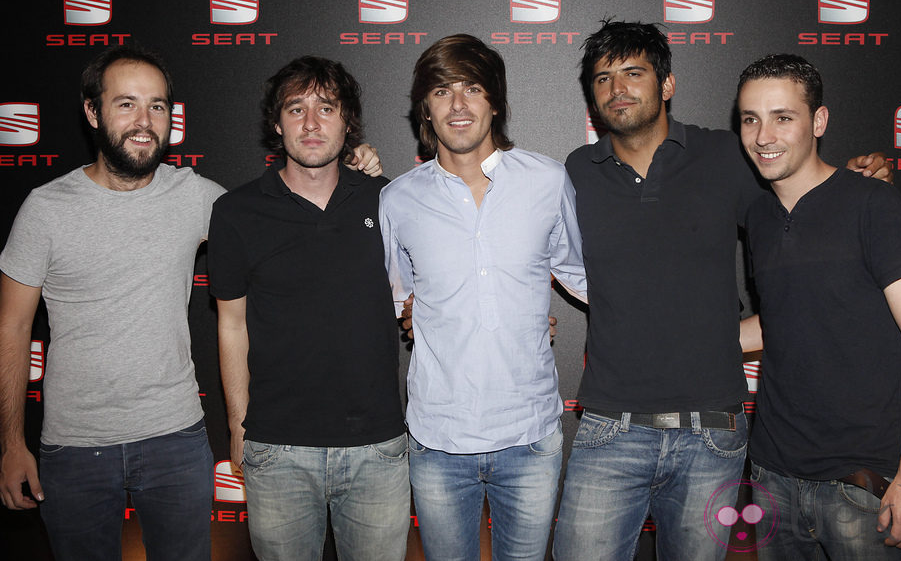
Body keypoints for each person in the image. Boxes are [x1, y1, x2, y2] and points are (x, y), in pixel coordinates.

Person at [0, 45, 381, 560]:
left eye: (157, 106)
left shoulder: (202, 198)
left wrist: (357, 165)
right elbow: (12, 329)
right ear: (92, 112)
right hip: (73, 448)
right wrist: (11, 445)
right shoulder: (45, 209)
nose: (144, 121)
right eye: (126, 104)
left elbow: (284, 219)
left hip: (175, 441)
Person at [552, 21, 891, 560]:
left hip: (713, 435)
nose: (617, 87)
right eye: (603, 78)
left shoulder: (728, 155)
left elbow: (804, 204)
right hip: (608, 431)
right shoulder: (574, 172)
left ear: (667, 85)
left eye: (634, 72)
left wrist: (855, 182)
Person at [379, 34, 587, 560]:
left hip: (531, 436)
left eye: (472, 88)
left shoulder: (546, 179)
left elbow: (579, 273)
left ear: (494, 100)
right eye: (442, 91)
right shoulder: (398, 200)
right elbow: (399, 296)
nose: (458, 105)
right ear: (424, 107)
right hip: (437, 438)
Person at [736, 54, 901, 559]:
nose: (763, 135)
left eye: (783, 117)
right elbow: (785, 319)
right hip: (772, 479)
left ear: (819, 121)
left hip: (862, 486)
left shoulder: (873, 203)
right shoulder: (759, 216)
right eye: (750, 119)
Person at [207, 56, 407, 561]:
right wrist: (239, 427)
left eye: (326, 108)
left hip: (377, 450)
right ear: (277, 125)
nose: (312, 123)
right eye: (296, 109)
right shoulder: (235, 212)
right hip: (276, 450)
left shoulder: (389, 201)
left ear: (348, 122)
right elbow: (231, 325)